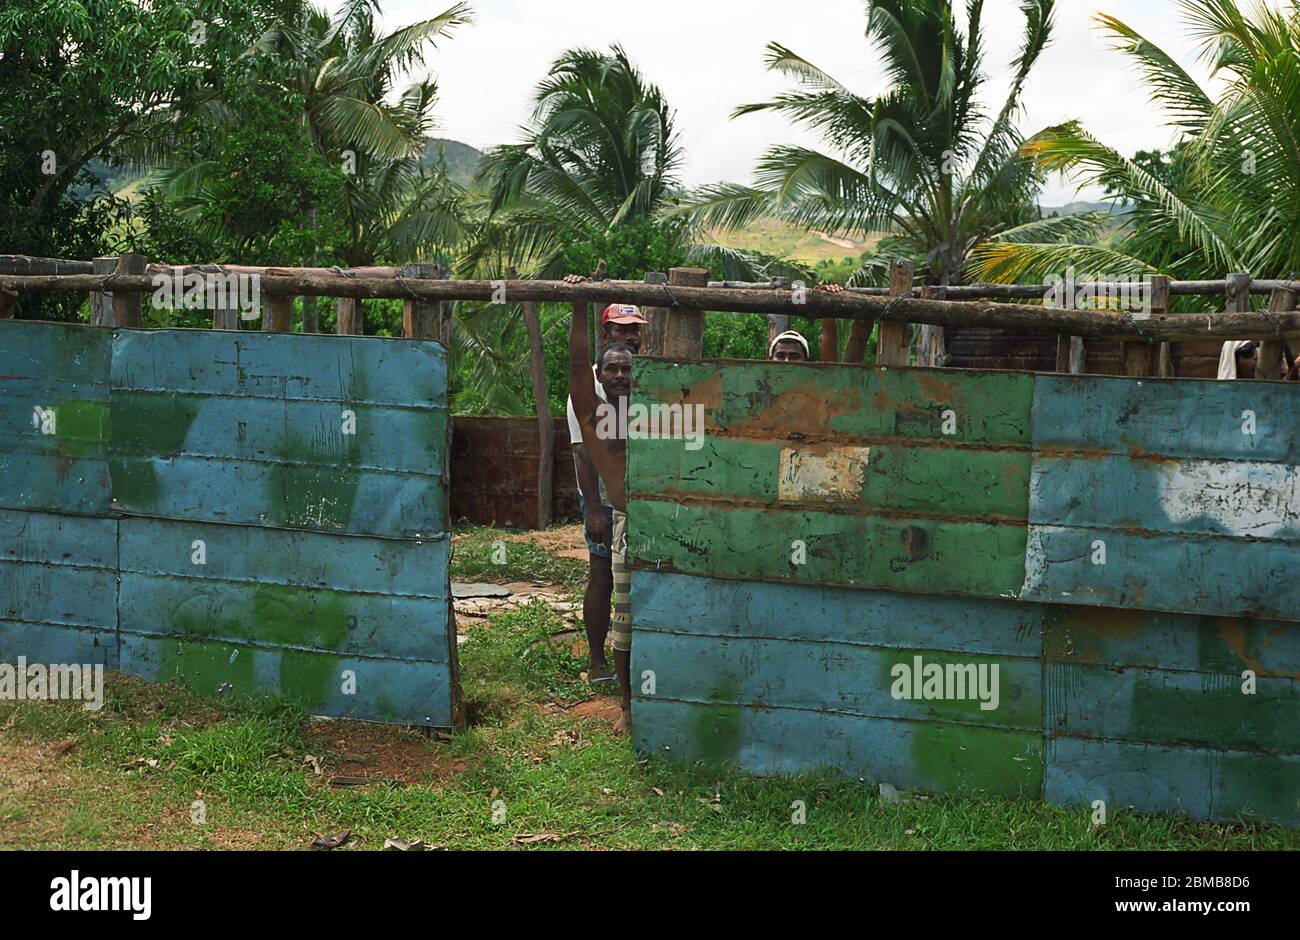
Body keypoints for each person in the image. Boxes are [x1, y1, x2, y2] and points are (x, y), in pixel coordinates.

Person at [562, 277, 647, 688]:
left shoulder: (651, 396)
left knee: (640, 589)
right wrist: (594, 508)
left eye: (635, 331)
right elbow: (582, 452)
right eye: (611, 367)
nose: (619, 372)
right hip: (606, 502)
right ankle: (599, 663)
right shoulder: (593, 405)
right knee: (603, 576)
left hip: (645, 509)